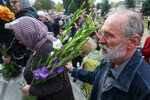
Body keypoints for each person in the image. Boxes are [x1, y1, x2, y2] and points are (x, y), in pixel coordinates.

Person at [66, 6, 150, 100]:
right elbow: (95, 77)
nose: (100, 41)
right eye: (101, 33)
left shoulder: (145, 87)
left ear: (132, 41)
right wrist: (72, 69)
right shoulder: (110, 60)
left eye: (109, 35)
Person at [4, 16, 75, 100]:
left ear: (29, 34)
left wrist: (31, 90)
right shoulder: (39, 45)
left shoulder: (47, 49)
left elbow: (58, 83)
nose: (20, 42)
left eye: (20, 38)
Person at [7, 0, 39, 66]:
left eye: (15, 2)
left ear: (23, 2)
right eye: (11, 2)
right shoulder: (29, 14)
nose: (12, 5)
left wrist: (7, 53)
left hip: (29, 55)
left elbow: (18, 39)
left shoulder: (25, 17)